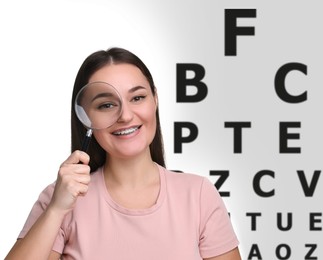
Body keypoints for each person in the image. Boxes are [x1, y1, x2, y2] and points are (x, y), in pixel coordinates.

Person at [6, 47, 241, 260]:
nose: (125, 116)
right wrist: (56, 210)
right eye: (106, 105)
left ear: (155, 100)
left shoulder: (198, 195)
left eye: (137, 98)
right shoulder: (59, 199)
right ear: (86, 117)